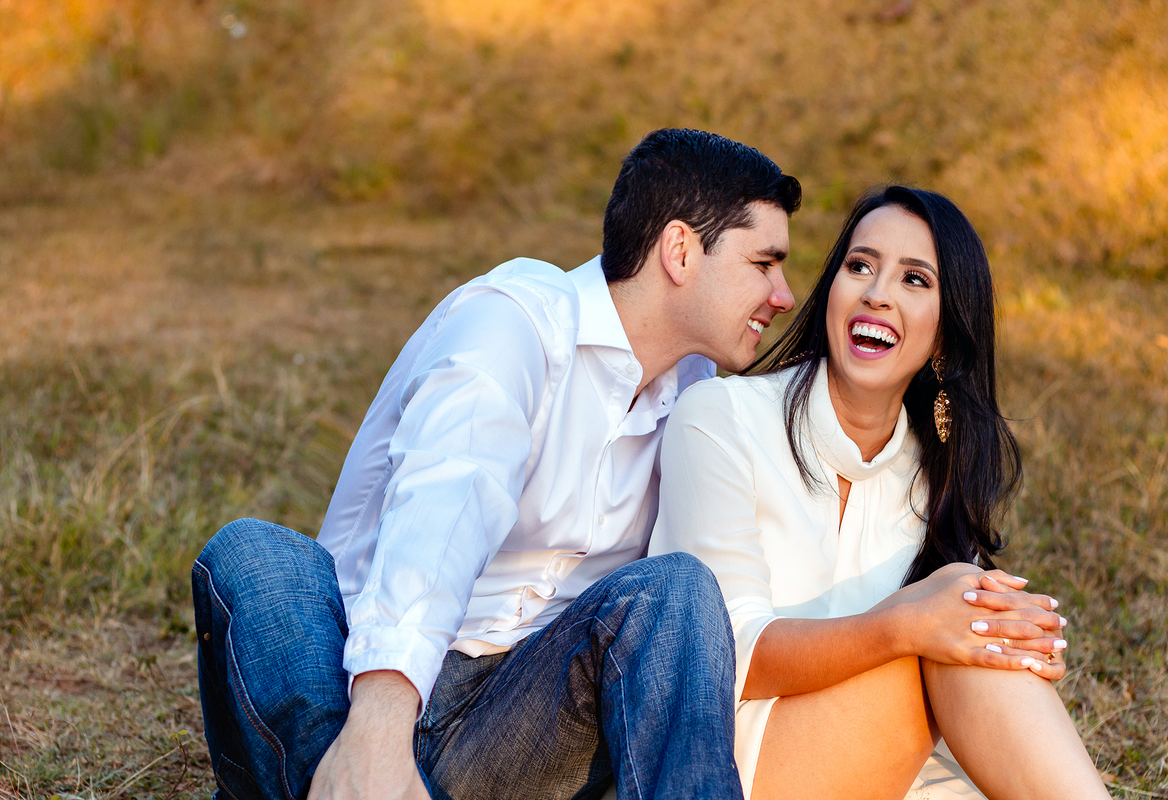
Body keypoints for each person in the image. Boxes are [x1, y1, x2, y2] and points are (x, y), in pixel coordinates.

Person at [191, 128, 803, 800]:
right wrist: (379, 726)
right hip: (352, 691)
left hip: (513, 724)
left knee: (676, 588)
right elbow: (445, 510)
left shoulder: (695, 392)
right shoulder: (516, 323)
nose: (783, 295)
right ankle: (353, 778)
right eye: (764, 263)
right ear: (680, 251)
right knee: (256, 557)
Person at [649, 186, 1112, 800]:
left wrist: (1024, 648)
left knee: (970, 620)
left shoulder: (934, 471)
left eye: (915, 280)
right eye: (859, 266)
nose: (878, 292)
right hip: (723, 765)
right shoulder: (718, 418)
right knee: (958, 614)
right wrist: (908, 624)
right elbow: (726, 658)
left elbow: (951, 657)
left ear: (946, 333)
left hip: (885, 764)